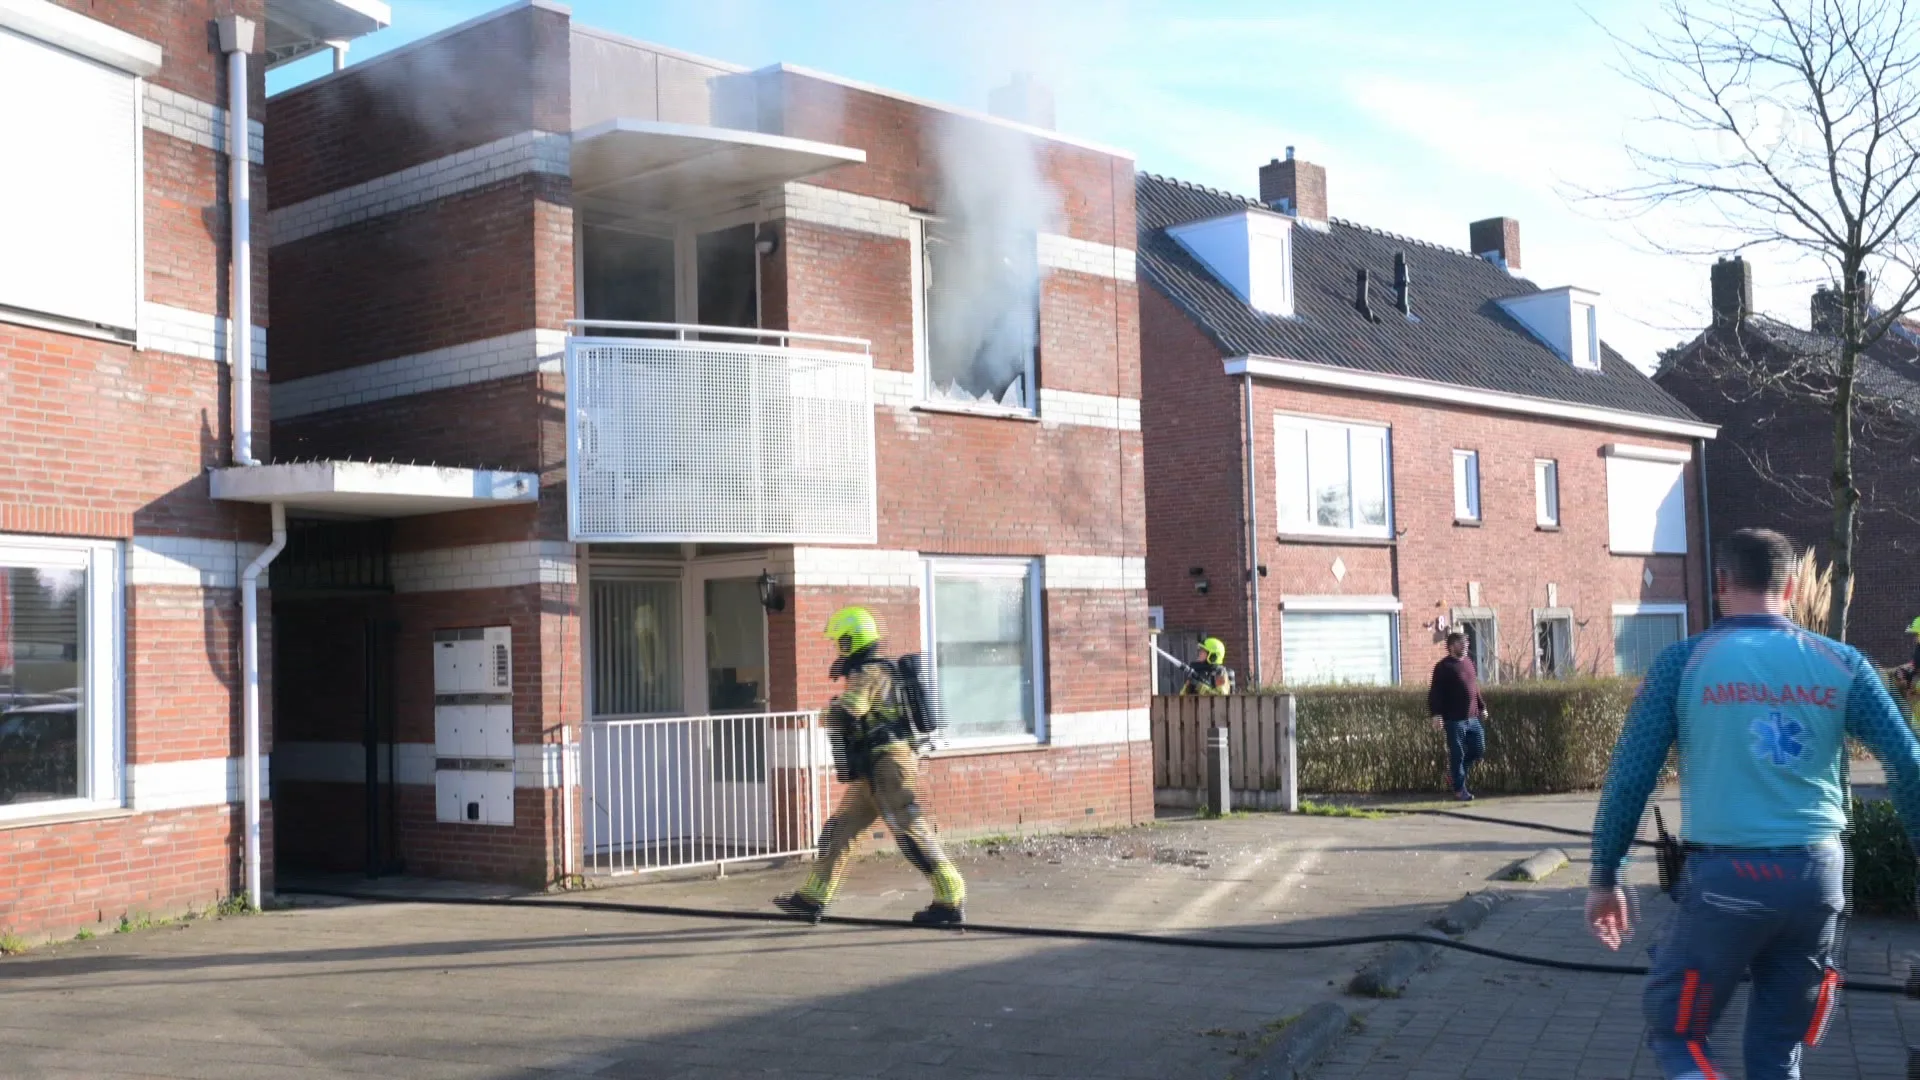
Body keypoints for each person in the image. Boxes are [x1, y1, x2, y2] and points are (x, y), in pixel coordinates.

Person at [1586, 528, 1920, 1080]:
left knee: (1677, 1034)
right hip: (1817, 878)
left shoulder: (1683, 663)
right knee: (1777, 1051)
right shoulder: (1843, 663)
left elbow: (1630, 778)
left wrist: (1606, 875)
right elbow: (1909, 764)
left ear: (1721, 583)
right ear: (1791, 588)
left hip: (1728, 880)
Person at [775, 606, 967, 926]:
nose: (838, 648)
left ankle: (950, 895)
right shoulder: (878, 670)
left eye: (840, 641)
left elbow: (852, 709)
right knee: (840, 829)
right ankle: (812, 898)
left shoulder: (868, 673)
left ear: (853, 640)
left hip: (888, 765)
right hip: (874, 766)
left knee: (908, 829)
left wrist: (829, 710)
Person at [1427, 629, 1488, 801]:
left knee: (1478, 749)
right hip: (1454, 720)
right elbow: (1435, 693)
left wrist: (1482, 707)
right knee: (1458, 754)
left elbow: (1474, 688)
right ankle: (1459, 789)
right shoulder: (1443, 667)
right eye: (1462, 643)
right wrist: (1436, 714)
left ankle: (1454, 776)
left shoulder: (1469, 662)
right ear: (1451, 646)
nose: (1466, 646)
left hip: (1473, 718)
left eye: (1467, 643)